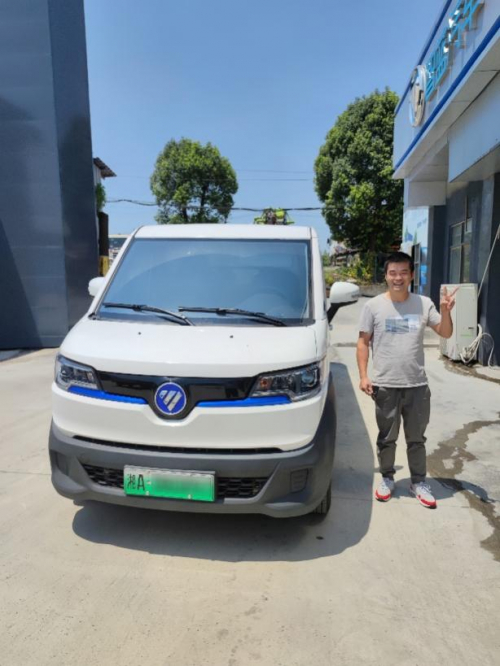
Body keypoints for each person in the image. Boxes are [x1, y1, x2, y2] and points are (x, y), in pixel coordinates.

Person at [356, 251, 457, 508]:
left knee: (416, 439)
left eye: (403, 272)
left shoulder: (424, 304)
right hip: (385, 385)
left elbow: (445, 332)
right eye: (393, 273)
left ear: (411, 275)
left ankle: (418, 482)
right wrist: (364, 375)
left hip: (417, 386)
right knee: (386, 438)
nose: (398, 278)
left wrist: (446, 311)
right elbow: (363, 342)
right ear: (386, 276)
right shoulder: (373, 306)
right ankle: (387, 478)